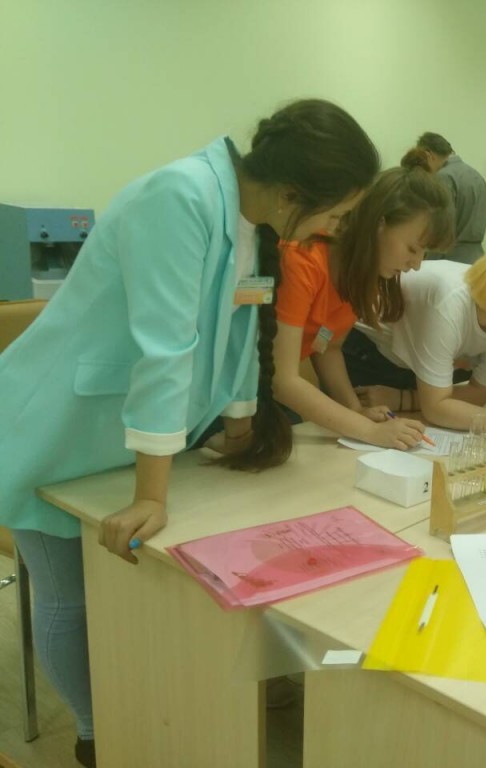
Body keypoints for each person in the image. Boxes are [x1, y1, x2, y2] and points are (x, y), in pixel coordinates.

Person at [0, 99, 378, 767]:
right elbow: (165, 349)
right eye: (337, 213)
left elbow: (237, 333)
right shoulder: (180, 196)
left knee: (133, 587)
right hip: (57, 425)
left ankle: (145, 711)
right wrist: (153, 494)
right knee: (69, 596)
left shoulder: (252, 222)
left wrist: (239, 424)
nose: (335, 228)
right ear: (294, 193)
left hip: (121, 435)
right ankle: (96, 736)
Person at [272, 151, 453, 449]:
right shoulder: (302, 258)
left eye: (425, 253)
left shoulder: (360, 272)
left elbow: (328, 346)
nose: (417, 264)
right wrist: (369, 432)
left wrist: (355, 411)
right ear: (379, 224)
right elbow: (283, 380)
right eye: (412, 248)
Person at [344, 240, 486, 438]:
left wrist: (405, 399)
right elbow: (437, 409)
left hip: (407, 366)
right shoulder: (449, 303)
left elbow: (477, 396)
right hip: (364, 350)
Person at [416, 132, 486, 264]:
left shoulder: (443, 177)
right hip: (477, 260)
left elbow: (439, 228)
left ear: (428, 155)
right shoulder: (477, 176)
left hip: (447, 260)